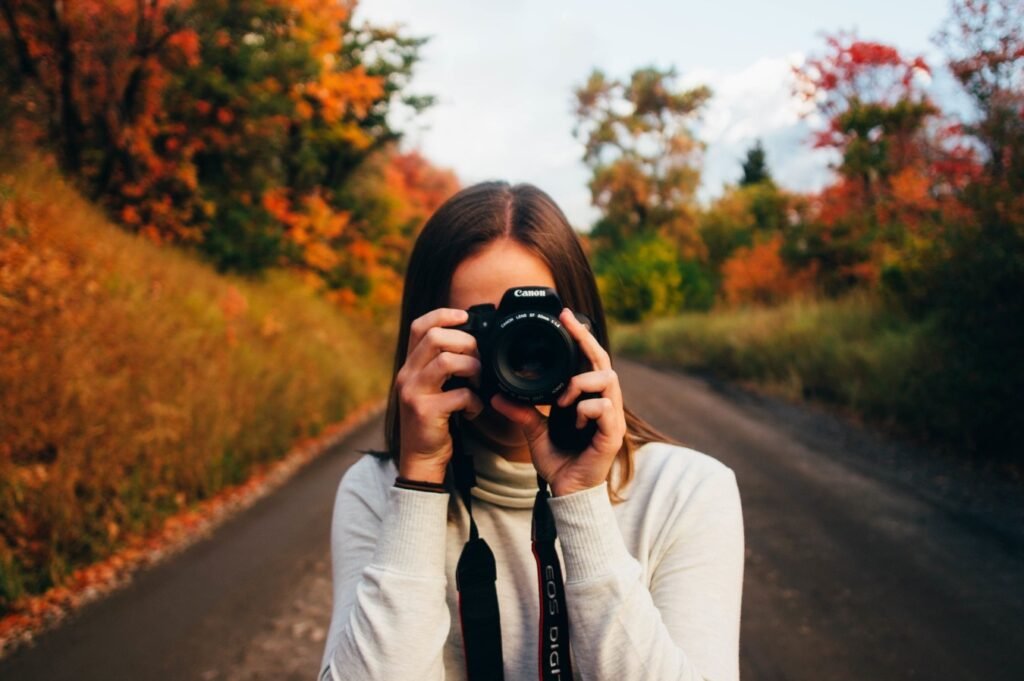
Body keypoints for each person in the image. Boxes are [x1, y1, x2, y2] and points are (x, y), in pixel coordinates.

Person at [318, 182, 745, 681]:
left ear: (584, 329)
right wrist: (419, 481)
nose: (516, 352)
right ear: (425, 338)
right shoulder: (377, 490)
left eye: (536, 327)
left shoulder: (687, 491)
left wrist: (582, 499)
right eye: (484, 327)